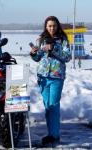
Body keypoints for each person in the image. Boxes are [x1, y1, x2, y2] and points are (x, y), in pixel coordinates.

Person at [30, 16, 71, 146]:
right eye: (49, 26)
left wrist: (54, 49)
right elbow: (37, 58)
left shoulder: (63, 40)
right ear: (46, 27)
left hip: (56, 76)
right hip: (43, 77)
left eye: (54, 25)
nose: (52, 28)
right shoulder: (41, 39)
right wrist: (33, 53)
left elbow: (67, 57)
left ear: (57, 26)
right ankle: (50, 133)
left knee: (53, 104)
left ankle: (55, 135)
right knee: (48, 106)